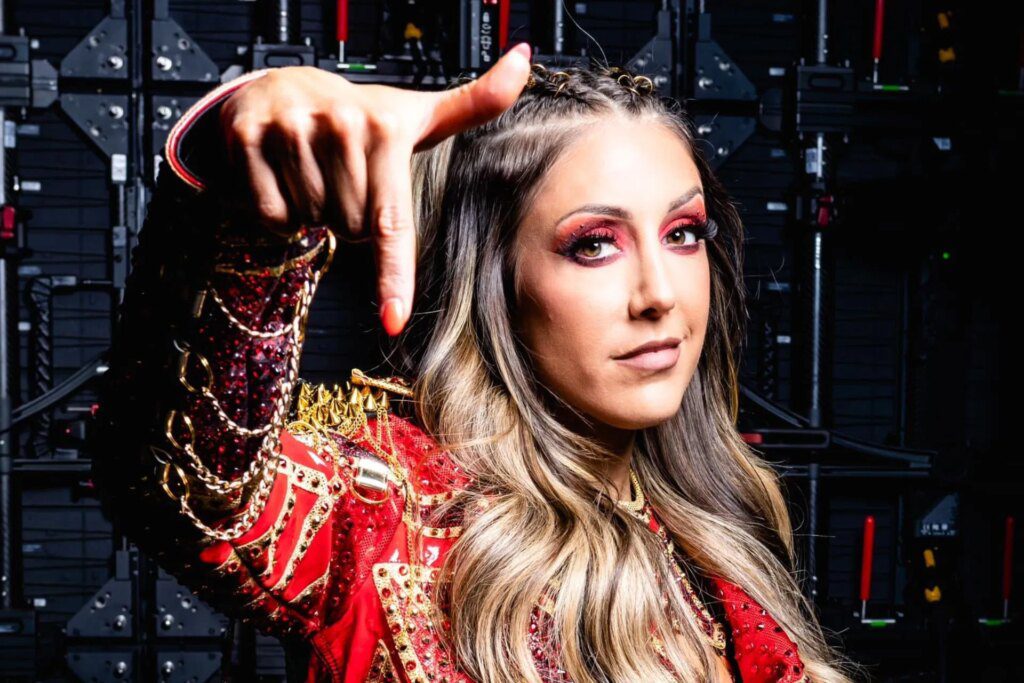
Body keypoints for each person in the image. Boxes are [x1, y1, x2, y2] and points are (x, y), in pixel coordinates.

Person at [90, 42, 858, 682]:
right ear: (491, 280)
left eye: (683, 233)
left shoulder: (713, 532)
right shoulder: (386, 514)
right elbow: (185, 488)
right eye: (594, 244)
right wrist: (254, 146)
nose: (660, 294)